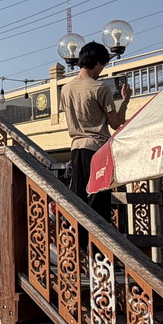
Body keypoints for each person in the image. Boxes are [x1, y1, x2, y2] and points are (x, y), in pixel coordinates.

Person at [59, 41, 131, 221]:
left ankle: (82, 244)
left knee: (79, 201)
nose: (102, 70)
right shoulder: (100, 88)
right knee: (99, 201)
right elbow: (116, 124)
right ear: (98, 63)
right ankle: (98, 246)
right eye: (103, 65)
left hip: (76, 148)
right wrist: (125, 101)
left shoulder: (66, 89)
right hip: (97, 149)